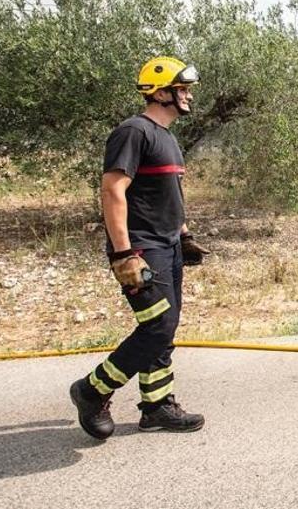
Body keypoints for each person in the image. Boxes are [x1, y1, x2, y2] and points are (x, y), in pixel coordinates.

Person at [69, 56, 211, 439]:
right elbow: (113, 190)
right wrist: (122, 253)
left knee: (165, 328)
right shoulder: (134, 132)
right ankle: (92, 389)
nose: (188, 96)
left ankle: (157, 405)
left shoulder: (167, 138)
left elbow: (169, 193)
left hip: (169, 246)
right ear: (161, 92)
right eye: (182, 90)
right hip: (141, 247)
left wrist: (183, 234)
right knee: (157, 325)